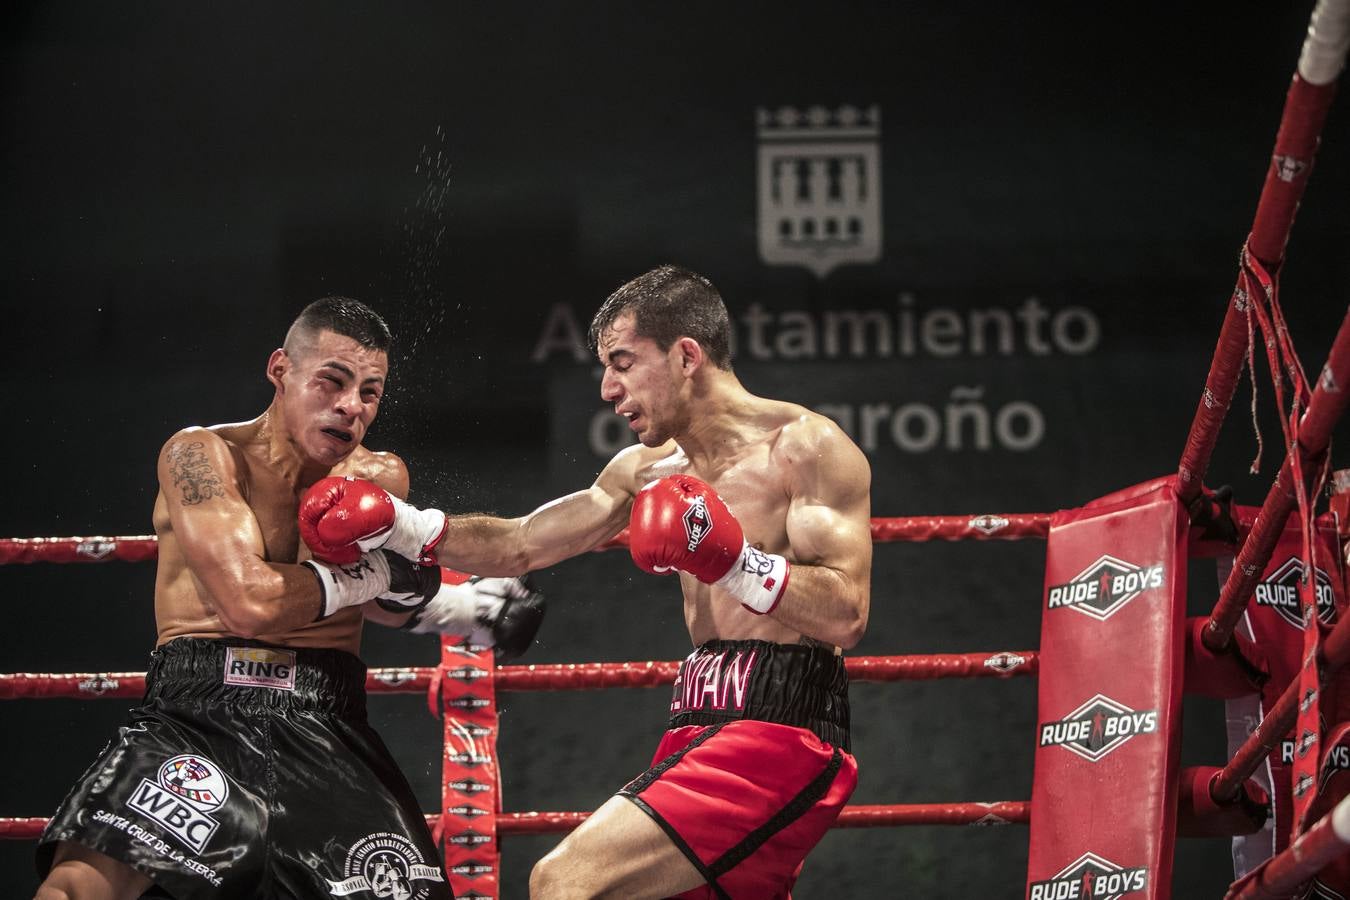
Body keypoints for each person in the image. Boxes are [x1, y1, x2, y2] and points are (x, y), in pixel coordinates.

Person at [303, 265, 873, 899]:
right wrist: (401, 526)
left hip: (780, 733)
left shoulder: (804, 447)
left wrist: (731, 560)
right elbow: (521, 544)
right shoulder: (645, 470)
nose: (608, 387)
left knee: (565, 882)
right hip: (696, 721)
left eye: (623, 362)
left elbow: (846, 614)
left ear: (686, 356)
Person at [34, 297, 544, 900]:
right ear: (281, 369)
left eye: (370, 393)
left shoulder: (378, 478)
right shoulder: (201, 456)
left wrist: (435, 604)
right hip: (198, 716)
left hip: (326, 719)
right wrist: (395, 583)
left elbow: (365, 600)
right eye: (332, 381)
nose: (351, 406)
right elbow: (248, 604)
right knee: (79, 888)